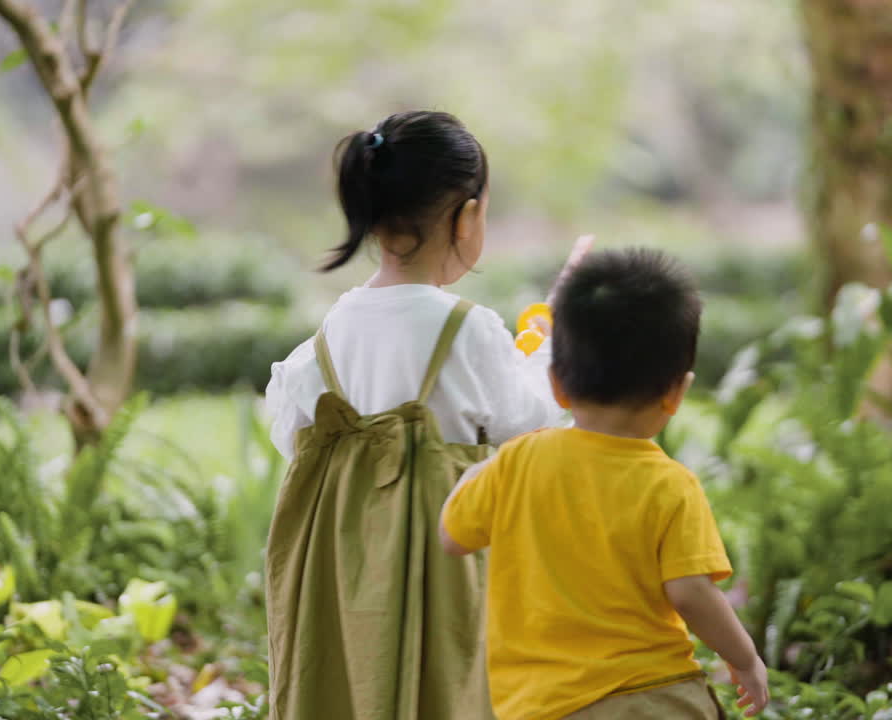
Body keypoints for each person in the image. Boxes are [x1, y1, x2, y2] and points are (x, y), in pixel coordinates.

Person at [263, 110, 565, 720]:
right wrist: (549, 334)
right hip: (444, 578)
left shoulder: (329, 334)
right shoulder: (468, 331)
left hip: (342, 586)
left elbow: (287, 424)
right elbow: (535, 417)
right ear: (468, 215)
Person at [439, 248, 771, 720]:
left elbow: (452, 536)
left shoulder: (516, 463)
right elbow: (691, 593)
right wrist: (744, 659)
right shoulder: (670, 485)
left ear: (556, 385)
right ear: (676, 392)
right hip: (651, 698)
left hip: (537, 707)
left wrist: (485, 466)